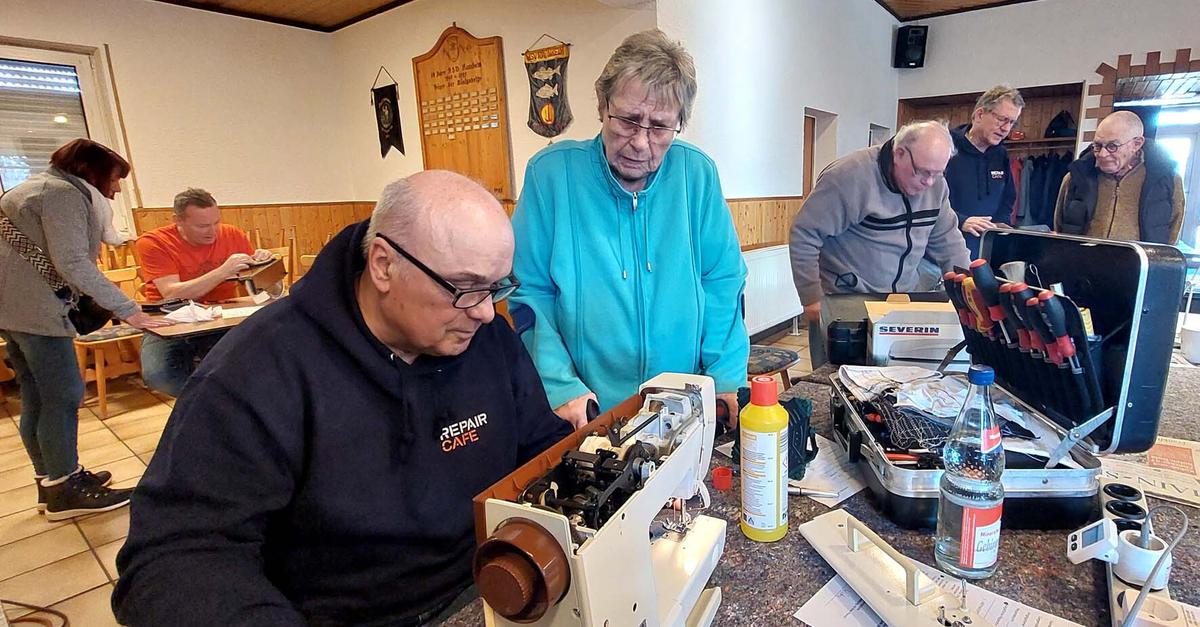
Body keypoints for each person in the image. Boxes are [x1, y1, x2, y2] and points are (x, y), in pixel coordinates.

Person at [113, 170, 573, 626]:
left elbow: (541, 449)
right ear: (383, 265)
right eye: (465, 288)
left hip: (496, 580)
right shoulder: (256, 371)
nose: (485, 312)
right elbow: (173, 558)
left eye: (496, 287)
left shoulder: (483, 336)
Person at [510, 30, 748, 428]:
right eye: (628, 120)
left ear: (679, 124)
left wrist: (724, 377)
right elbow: (530, 293)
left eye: (659, 127)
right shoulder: (551, 175)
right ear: (603, 105)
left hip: (683, 404)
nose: (640, 142)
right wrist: (560, 386)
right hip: (588, 409)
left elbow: (722, 281)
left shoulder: (697, 175)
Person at [0, 138, 168, 520]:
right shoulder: (62, 195)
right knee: (62, 395)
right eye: (115, 178)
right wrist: (128, 309)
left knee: (37, 396)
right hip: (37, 312)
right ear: (90, 171)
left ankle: (52, 481)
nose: (118, 188)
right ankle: (65, 491)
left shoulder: (32, 188)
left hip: (12, 309)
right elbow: (73, 261)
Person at [789, 121, 970, 366]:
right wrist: (811, 298)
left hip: (902, 301)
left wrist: (967, 294)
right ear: (899, 154)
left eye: (938, 173)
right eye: (923, 172)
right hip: (848, 301)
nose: (930, 182)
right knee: (839, 387)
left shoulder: (935, 185)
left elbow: (948, 240)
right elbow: (805, 234)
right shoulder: (848, 176)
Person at [135, 187, 272, 396]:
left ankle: (228, 405)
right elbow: (171, 294)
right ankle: (208, 404)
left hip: (222, 317)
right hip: (170, 320)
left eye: (216, 222)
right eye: (202, 226)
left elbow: (264, 289)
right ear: (178, 220)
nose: (213, 231)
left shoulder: (232, 234)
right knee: (159, 375)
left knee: (258, 359)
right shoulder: (154, 242)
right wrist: (223, 270)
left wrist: (266, 266)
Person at [1054, 111, 1185, 243]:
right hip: (1083, 261)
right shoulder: (1076, 177)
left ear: (1136, 144)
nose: (1102, 154)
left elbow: (1172, 234)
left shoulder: (1167, 180)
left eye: (1112, 146)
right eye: (1098, 146)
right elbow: (1060, 225)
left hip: (1137, 262)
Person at [945, 85, 1024, 257]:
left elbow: (1008, 197)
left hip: (983, 253)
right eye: (1002, 119)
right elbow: (927, 201)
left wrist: (1001, 224)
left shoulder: (1000, 153)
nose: (1005, 128)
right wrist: (961, 220)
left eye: (1011, 122)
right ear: (980, 115)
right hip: (943, 251)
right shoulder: (946, 147)